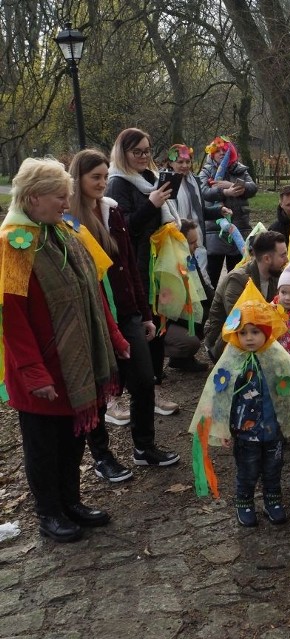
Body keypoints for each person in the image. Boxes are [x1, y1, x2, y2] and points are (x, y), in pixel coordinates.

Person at [0, 158, 128, 542]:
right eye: (60, 196)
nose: (66, 203)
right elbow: (12, 317)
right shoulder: (13, 245)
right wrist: (33, 372)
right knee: (44, 444)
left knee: (74, 437)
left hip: (76, 361)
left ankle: (71, 502)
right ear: (34, 197)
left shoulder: (62, 232)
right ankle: (49, 513)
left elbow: (93, 293)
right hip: (40, 368)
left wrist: (116, 338)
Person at [69, 149, 181, 480]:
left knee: (144, 379)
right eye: (95, 177)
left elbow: (129, 264)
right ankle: (102, 457)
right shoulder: (70, 221)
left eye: (105, 176)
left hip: (128, 311)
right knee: (101, 388)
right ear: (79, 179)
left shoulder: (111, 212)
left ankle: (144, 447)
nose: (103, 183)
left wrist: (144, 313)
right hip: (94, 317)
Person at [188, 281, 290, 526]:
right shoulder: (232, 359)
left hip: (273, 428)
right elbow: (218, 394)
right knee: (247, 469)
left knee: (274, 467)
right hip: (244, 431)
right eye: (243, 333)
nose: (249, 338)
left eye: (255, 332)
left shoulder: (275, 355)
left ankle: (272, 499)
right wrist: (221, 426)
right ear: (235, 334)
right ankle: (244, 501)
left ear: (266, 331)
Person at [105, 127, 181, 416]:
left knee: (158, 324)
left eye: (148, 150)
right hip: (136, 265)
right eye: (137, 151)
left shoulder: (150, 177)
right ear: (123, 153)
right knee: (136, 327)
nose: (144, 156)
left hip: (159, 262)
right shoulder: (118, 184)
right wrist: (152, 204)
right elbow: (124, 230)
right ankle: (119, 396)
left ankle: (154, 385)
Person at [204, 231, 288, 362]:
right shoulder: (238, 280)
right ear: (267, 259)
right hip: (226, 339)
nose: (286, 260)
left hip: (257, 335)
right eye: (282, 255)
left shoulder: (275, 276)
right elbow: (238, 321)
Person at [199, 135, 258, 289]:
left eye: (225, 150)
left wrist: (231, 184)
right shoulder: (207, 171)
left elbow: (253, 188)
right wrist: (225, 192)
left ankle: (235, 309)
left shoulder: (240, 169)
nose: (222, 153)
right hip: (214, 231)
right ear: (212, 153)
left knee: (237, 279)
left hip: (239, 228)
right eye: (218, 150)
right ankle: (210, 310)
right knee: (210, 278)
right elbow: (203, 191)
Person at [163, 219, 213, 372]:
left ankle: (182, 359)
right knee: (191, 340)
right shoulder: (168, 267)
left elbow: (203, 288)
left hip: (183, 317)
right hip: (166, 322)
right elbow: (169, 310)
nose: (196, 246)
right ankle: (166, 352)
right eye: (191, 243)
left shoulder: (189, 259)